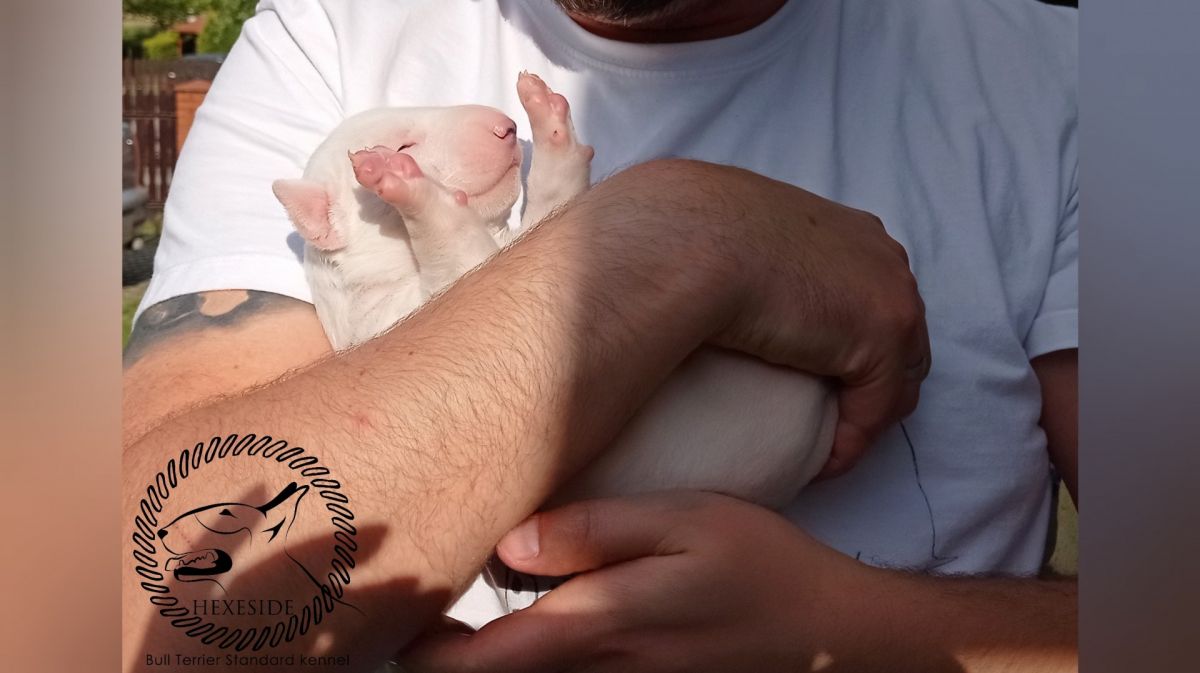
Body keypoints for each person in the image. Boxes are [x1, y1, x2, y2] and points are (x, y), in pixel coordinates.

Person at [123, 0, 1077, 670]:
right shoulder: (325, 37)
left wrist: (858, 628)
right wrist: (670, 241)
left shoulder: (1070, 84)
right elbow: (124, 613)